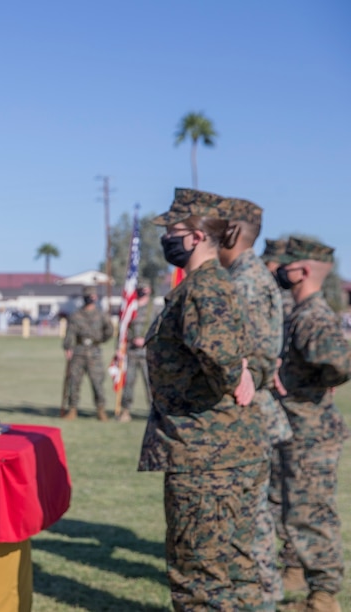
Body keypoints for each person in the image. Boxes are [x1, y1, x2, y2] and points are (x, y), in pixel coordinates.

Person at [139, 187, 268, 610]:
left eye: (172, 230)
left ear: (195, 236)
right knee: (236, 569)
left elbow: (219, 352)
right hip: (229, 451)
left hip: (206, 457)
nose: (166, 238)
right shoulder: (216, 284)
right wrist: (241, 370)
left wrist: (235, 373)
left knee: (200, 578)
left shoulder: (203, 288)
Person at [214, 197, 292, 608]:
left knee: (248, 519)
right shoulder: (250, 275)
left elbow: (246, 358)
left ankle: (261, 599)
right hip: (254, 411)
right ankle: (264, 596)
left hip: (246, 413)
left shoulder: (242, 281)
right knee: (253, 515)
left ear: (227, 233)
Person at [272, 237, 351, 611]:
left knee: (311, 513)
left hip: (312, 430)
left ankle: (323, 598)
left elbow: (339, 362)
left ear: (302, 270)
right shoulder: (301, 312)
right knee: (295, 509)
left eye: (286, 264)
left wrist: (314, 382)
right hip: (296, 427)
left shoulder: (313, 316)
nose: (279, 270)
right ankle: (305, 578)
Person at [61, 285, 113, 420]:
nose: (91, 298)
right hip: (78, 352)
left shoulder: (101, 315)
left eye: (93, 296)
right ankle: (72, 409)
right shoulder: (76, 315)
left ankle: (101, 410)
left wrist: (100, 340)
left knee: (97, 382)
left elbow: (109, 330)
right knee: (74, 382)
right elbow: (70, 333)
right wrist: (68, 347)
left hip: (94, 352)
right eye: (88, 296)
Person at [117, 281, 154, 423]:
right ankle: (125, 411)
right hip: (131, 352)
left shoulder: (154, 309)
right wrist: (120, 348)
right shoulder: (130, 307)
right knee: (129, 382)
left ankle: (153, 411)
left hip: (148, 353)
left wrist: (146, 339)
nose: (143, 291)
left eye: (145, 288)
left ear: (149, 289)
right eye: (140, 288)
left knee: (150, 383)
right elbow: (123, 329)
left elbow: (160, 328)